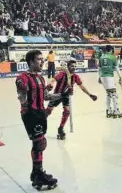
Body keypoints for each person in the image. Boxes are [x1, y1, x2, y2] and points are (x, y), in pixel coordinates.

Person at [15, 50, 70, 190]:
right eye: (39, 59)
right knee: (39, 143)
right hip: (30, 114)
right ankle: (38, 173)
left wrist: (61, 95)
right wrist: (24, 95)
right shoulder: (22, 78)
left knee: (40, 143)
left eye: (42, 59)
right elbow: (22, 98)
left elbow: (46, 96)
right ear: (31, 62)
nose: (42, 62)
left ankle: (36, 172)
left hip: (40, 113)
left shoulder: (40, 78)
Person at [45, 60, 97, 140]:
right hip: (57, 95)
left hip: (66, 96)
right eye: (72, 66)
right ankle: (39, 123)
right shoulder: (62, 74)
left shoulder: (75, 76)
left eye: (75, 66)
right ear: (68, 66)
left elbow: (82, 87)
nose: (74, 67)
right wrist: (51, 85)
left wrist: (90, 95)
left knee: (67, 112)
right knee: (48, 111)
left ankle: (61, 129)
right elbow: (54, 80)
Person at [98, 45, 122, 118]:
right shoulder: (112, 57)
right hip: (109, 77)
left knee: (108, 94)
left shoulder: (101, 57)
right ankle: (116, 111)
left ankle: (108, 110)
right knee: (114, 94)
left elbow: (99, 68)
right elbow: (117, 68)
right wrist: (120, 77)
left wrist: (99, 77)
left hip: (102, 77)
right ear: (111, 50)